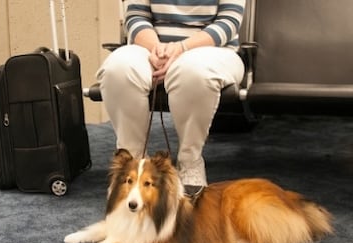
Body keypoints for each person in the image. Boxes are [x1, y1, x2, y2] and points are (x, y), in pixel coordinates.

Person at [96, 0, 246, 198]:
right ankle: (132, 164)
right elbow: (136, 16)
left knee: (192, 71)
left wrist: (182, 48)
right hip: (150, 47)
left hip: (215, 49)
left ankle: (190, 161)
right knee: (118, 69)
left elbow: (228, 21)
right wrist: (158, 49)